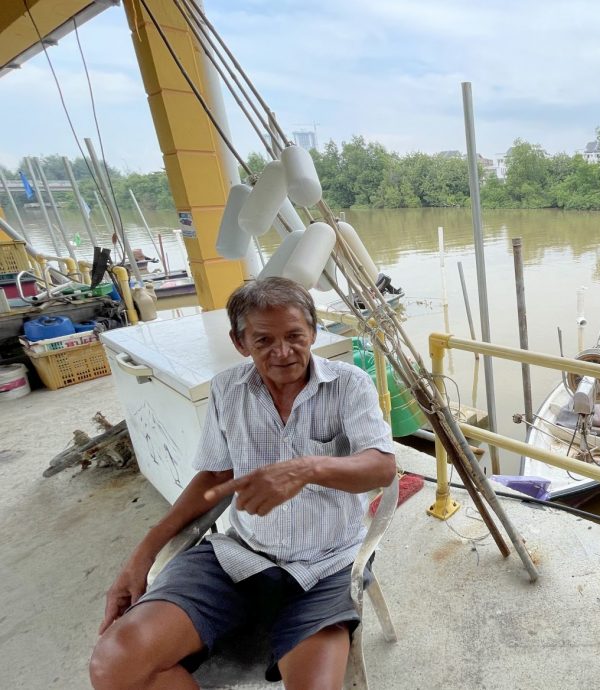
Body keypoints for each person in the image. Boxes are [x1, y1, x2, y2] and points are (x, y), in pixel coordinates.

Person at [89, 277, 396, 689]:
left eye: (294, 336)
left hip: (326, 565)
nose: (283, 352)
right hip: (240, 556)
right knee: (115, 664)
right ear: (239, 342)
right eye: (264, 340)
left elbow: (381, 468)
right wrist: (144, 551)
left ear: (314, 331)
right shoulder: (227, 390)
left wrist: (305, 468)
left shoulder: (349, 383)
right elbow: (216, 475)